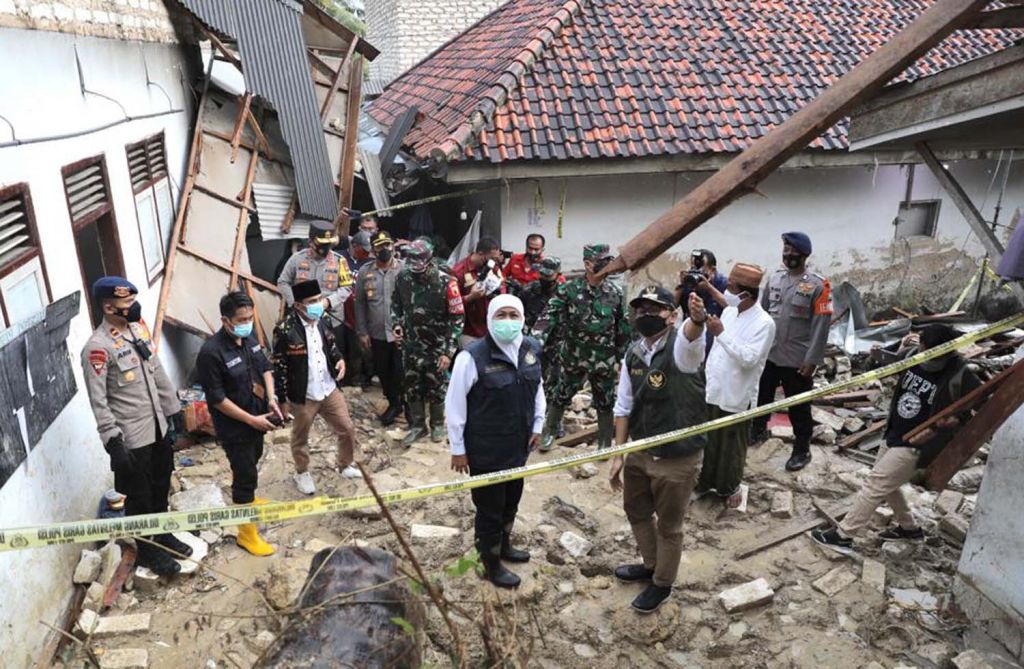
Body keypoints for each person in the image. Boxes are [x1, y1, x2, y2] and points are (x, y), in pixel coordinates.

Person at [813, 325, 981, 548]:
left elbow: (980, 406)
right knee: (888, 485)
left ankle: (844, 536)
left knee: (875, 484)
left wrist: (956, 421)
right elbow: (884, 364)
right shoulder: (914, 356)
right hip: (895, 431)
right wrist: (885, 353)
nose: (923, 351)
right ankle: (909, 528)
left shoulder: (961, 374)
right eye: (922, 346)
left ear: (944, 350)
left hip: (921, 442)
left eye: (928, 348)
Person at [608, 287, 707, 612]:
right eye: (641, 309)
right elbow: (623, 405)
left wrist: (697, 319)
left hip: (677, 457)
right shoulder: (634, 352)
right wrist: (618, 453)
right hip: (641, 450)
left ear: (672, 315)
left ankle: (662, 584)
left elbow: (692, 338)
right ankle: (650, 565)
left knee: (669, 525)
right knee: (636, 510)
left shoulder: (682, 347)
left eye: (656, 309)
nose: (647, 315)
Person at [81, 277, 187, 576]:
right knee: (139, 500)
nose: (133, 307)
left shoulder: (138, 329)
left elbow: (158, 372)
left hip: (157, 428)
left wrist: (173, 411)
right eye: (126, 304)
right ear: (108, 307)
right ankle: (148, 552)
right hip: (132, 439)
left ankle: (164, 535)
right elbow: (98, 402)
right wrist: (113, 443)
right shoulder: (97, 348)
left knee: (161, 486)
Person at [445, 294, 545, 588]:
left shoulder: (531, 349)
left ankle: (503, 546)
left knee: (511, 500)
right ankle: (489, 563)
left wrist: (538, 424)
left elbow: (538, 388)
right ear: (490, 319)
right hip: (485, 448)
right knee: (489, 508)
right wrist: (458, 449)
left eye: (514, 315)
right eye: (502, 315)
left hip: (518, 446)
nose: (508, 322)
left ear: (523, 319)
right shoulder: (472, 356)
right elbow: (454, 405)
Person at [196, 291, 283, 557]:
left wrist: (271, 398)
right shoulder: (211, 353)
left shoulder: (248, 338)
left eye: (250, 317)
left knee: (253, 461)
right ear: (226, 320)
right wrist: (251, 421)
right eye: (242, 319)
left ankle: (250, 500)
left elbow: (265, 368)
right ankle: (246, 534)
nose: (247, 322)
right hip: (236, 427)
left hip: (258, 417)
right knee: (244, 475)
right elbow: (218, 400)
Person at [695, 264, 776, 508]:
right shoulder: (731, 312)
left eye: (731, 287)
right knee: (710, 440)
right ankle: (707, 481)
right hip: (715, 388)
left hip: (737, 393)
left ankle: (729, 487)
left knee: (732, 445)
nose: (726, 290)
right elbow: (719, 347)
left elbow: (749, 359)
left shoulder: (764, 323)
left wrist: (721, 334)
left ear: (747, 294)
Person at [751, 232, 833, 471]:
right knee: (762, 396)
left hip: (798, 358)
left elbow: (822, 324)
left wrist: (812, 359)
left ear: (804, 254)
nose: (788, 256)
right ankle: (758, 430)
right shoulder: (775, 280)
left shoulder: (819, 285)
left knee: (798, 406)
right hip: (771, 353)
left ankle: (802, 449)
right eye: (785, 251)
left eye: (793, 252)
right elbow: (762, 316)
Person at [273, 279, 362, 495]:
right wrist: (283, 399)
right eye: (312, 301)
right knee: (300, 437)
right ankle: (302, 472)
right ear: (298, 305)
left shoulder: (322, 320)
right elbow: (279, 366)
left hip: (328, 388)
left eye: (320, 299)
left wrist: (339, 359)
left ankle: (345, 464)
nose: (318, 304)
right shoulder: (285, 330)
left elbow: (330, 346)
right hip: (304, 394)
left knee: (347, 428)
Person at [540, 244, 630, 451]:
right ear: (588, 264)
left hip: (603, 359)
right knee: (561, 394)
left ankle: (606, 442)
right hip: (574, 355)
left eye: (608, 260)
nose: (607, 264)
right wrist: (535, 341)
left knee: (605, 400)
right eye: (602, 260)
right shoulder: (568, 289)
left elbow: (622, 327)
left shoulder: (614, 292)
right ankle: (549, 432)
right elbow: (549, 317)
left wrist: (622, 357)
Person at [392, 240, 464, 446]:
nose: (414, 264)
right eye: (411, 259)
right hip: (411, 344)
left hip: (437, 346)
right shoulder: (403, 278)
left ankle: (438, 425)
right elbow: (396, 305)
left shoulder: (446, 282)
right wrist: (397, 324)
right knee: (412, 385)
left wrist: (448, 352)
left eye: (418, 259)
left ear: (428, 258)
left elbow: (457, 318)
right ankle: (417, 426)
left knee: (436, 385)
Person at [276, 219, 356, 348]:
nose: (325, 249)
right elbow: (283, 282)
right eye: (321, 244)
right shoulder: (297, 259)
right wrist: (295, 303)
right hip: (303, 319)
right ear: (311, 242)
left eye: (328, 244)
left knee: (334, 357)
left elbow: (346, 288)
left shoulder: (339, 261)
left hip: (332, 320)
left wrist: (328, 302)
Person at [355, 230, 405, 426]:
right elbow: (359, 303)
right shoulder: (365, 272)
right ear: (373, 250)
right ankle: (394, 404)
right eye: (380, 246)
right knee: (384, 371)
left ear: (392, 246)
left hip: (401, 333)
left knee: (401, 371)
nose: (384, 249)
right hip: (377, 333)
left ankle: (409, 408)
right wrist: (362, 331)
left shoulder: (403, 269)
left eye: (387, 245)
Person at [452, 236, 506, 348]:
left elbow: (502, 285)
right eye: (493, 258)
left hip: (491, 328)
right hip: (469, 332)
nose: (495, 262)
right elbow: (451, 305)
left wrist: (498, 291)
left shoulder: (492, 267)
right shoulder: (459, 272)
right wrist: (471, 297)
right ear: (481, 254)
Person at [341, 231, 374, 386]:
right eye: (364, 249)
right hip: (341, 315)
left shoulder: (370, 263)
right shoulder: (341, 259)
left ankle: (365, 378)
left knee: (364, 350)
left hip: (363, 315)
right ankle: (349, 379)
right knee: (347, 350)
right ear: (354, 246)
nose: (368, 253)